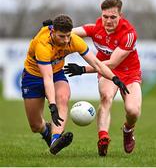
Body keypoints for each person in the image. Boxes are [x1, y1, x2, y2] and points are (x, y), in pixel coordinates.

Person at [21, 14, 129, 155]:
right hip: (33, 77)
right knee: (35, 125)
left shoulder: (74, 40)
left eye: (68, 36)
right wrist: (52, 105)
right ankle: (47, 131)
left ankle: (55, 140)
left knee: (63, 97)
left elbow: (96, 63)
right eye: (61, 36)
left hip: (57, 73)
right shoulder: (43, 45)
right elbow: (47, 78)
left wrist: (115, 78)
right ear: (53, 32)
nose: (66, 40)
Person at [64, 0, 142, 156]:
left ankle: (128, 129)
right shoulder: (95, 28)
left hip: (129, 74)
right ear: (101, 15)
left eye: (113, 17)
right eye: (105, 16)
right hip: (106, 72)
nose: (108, 21)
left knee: (133, 111)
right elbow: (68, 33)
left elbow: (112, 63)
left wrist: (82, 69)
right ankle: (103, 137)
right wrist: (51, 30)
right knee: (106, 97)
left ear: (121, 15)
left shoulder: (129, 34)